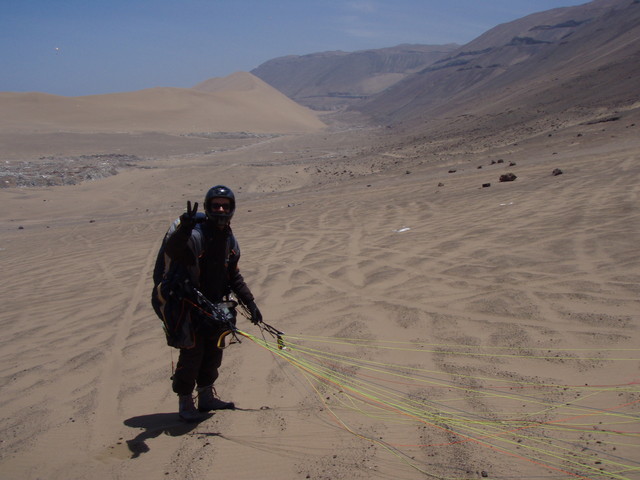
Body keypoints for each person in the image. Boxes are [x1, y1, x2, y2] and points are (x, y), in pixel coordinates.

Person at [157, 185, 262, 421]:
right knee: (192, 355)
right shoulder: (195, 235)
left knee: (214, 353)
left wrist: (250, 303)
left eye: (226, 205)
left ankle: (206, 397)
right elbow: (174, 251)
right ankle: (185, 402)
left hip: (215, 307)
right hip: (189, 306)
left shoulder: (229, 239)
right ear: (207, 207)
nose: (221, 209)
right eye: (216, 205)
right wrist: (183, 230)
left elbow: (233, 275)